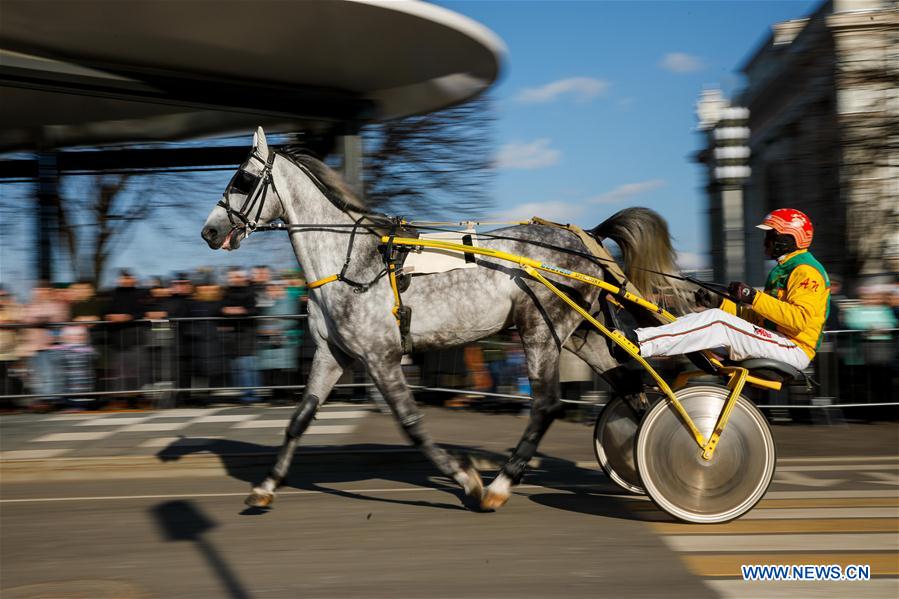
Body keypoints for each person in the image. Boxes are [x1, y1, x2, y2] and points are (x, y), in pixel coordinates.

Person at [614, 208, 830, 371]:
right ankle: (644, 344)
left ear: (789, 239)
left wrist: (752, 296)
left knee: (718, 322)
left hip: (794, 348)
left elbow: (799, 320)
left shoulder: (805, 271)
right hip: (777, 340)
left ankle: (637, 343)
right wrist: (719, 302)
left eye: (771, 236)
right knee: (708, 317)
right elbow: (759, 319)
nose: (766, 241)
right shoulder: (784, 270)